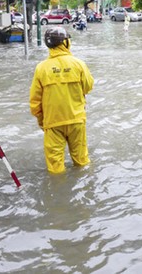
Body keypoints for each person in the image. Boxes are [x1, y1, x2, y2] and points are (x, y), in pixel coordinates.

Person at [29, 27, 94, 174]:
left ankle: (57, 192)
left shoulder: (41, 68)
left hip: (53, 122)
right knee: (82, 161)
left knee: (55, 166)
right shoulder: (79, 64)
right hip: (76, 120)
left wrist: (41, 120)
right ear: (66, 42)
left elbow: (34, 100)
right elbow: (88, 86)